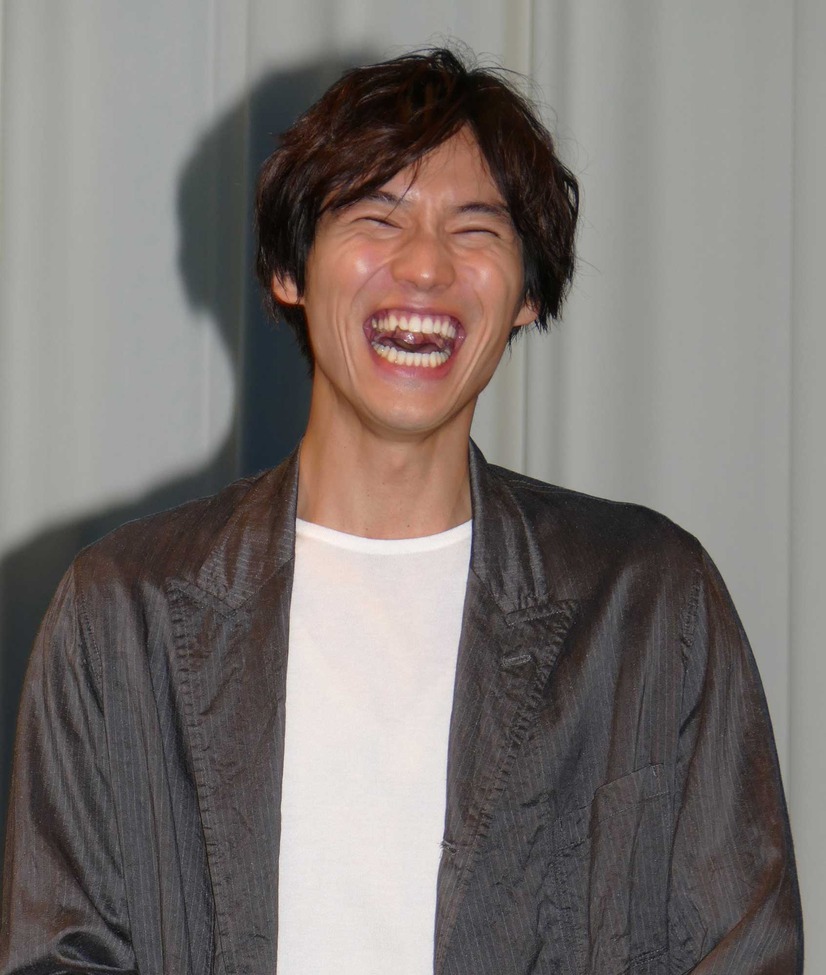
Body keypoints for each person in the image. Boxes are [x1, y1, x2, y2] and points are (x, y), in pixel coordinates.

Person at [0, 48, 802, 974]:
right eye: (378, 217)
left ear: (527, 295)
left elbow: (744, 952)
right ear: (290, 269)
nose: (425, 267)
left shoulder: (649, 603)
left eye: (476, 229)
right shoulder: (122, 611)